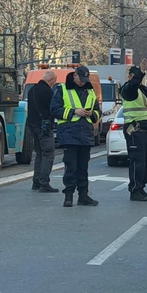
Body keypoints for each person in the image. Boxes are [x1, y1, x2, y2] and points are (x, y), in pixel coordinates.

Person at [50, 66, 101, 207]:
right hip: (69, 134)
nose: (83, 82)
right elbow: (54, 110)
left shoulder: (90, 91)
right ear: (74, 76)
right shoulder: (62, 89)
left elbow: (97, 111)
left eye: (85, 79)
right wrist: (74, 111)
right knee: (71, 166)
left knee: (83, 168)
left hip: (85, 134)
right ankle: (68, 196)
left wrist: (92, 114)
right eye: (81, 79)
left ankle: (83, 195)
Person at [120, 59, 147, 202]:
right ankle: (135, 190)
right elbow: (133, 85)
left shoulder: (144, 91)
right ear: (130, 77)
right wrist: (140, 73)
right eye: (137, 76)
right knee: (137, 162)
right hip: (135, 130)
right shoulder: (128, 90)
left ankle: (141, 187)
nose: (140, 78)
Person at [26, 70, 59, 193]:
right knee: (48, 154)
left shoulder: (31, 91)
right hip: (44, 127)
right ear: (51, 81)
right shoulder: (48, 92)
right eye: (54, 82)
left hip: (32, 125)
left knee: (39, 154)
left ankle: (36, 182)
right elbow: (53, 109)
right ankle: (44, 183)